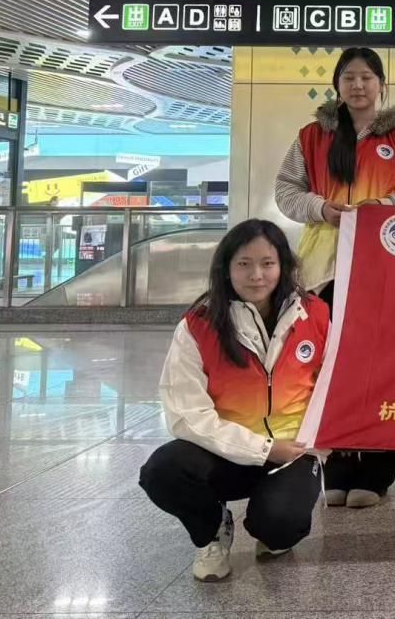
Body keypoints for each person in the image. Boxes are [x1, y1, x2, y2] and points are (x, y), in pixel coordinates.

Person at [275, 46, 395, 508]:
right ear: (337, 85)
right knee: (328, 368)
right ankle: (338, 466)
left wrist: (381, 209)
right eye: (349, 77)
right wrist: (321, 208)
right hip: (322, 270)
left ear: (381, 85)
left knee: (382, 368)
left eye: (367, 77)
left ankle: (378, 472)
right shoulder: (311, 137)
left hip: (384, 268)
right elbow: (285, 191)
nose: (358, 85)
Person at [138, 219, 329, 582]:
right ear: (226, 268)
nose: (257, 275)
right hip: (224, 450)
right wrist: (264, 449)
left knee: (280, 525)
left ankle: (273, 526)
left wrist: (323, 440)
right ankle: (212, 529)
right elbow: (186, 414)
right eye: (244, 264)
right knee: (162, 471)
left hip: (294, 450)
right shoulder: (199, 324)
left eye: (268, 263)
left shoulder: (315, 314)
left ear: (283, 265)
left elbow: (335, 382)